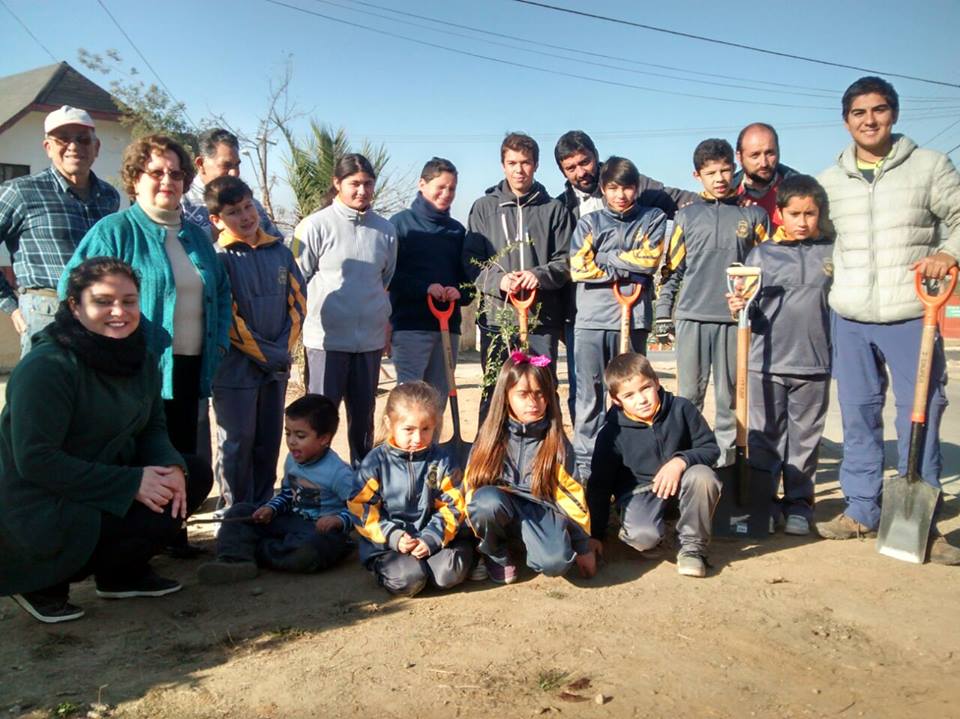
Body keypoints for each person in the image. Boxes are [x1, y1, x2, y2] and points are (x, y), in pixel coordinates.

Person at [0, 258, 212, 623]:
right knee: (141, 499)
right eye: (103, 301)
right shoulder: (48, 367)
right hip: (38, 503)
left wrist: (170, 466)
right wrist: (131, 483)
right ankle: (42, 583)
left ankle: (120, 575)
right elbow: (36, 460)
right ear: (74, 306)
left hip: (99, 481)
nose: (119, 312)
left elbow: (152, 428)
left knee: (190, 474)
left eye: (129, 301)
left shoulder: (139, 359)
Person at [814, 76, 960, 564]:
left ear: (893, 114)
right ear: (846, 120)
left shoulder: (929, 167)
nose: (869, 120)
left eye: (878, 111)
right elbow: (818, 235)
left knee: (921, 412)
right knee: (857, 413)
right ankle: (861, 508)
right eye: (859, 113)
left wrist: (946, 252)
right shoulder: (831, 180)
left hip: (911, 313)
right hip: (851, 314)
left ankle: (926, 516)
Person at [61, 134, 232, 457]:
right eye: (156, 172)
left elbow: (221, 291)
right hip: (130, 376)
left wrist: (220, 342)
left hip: (189, 371)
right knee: (138, 465)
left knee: (179, 467)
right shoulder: (114, 232)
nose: (168, 180)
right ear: (135, 180)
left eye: (176, 173)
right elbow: (71, 292)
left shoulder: (196, 236)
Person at [554, 131, 699, 422]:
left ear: (596, 157)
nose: (581, 172)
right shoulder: (561, 205)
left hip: (631, 307)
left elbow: (682, 200)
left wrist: (721, 202)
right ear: (562, 171)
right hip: (583, 310)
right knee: (585, 389)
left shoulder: (632, 183)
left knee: (629, 387)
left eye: (585, 162)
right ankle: (591, 458)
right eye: (571, 168)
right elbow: (569, 261)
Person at [726, 176, 833, 536]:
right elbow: (747, 310)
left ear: (820, 214)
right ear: (780, 213)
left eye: (810, 213)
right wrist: (739, 306)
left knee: (805, 440)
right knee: (764, 437)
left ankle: (800, 504)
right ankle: (765, 503)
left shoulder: (832, 253)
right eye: (795, 213)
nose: (803, 221)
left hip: (815, 364)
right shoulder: (762, 255)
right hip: (764, 363)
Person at [654, 139, 770, 467]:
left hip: (736, 321)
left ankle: (725, 469)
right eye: (710, 173)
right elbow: (672, 271)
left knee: (729, 400)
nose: (719, 178)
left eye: (724, 170)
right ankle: (685, 465)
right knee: (688, 397)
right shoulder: (686, 218)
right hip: (691, 318)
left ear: (734, 169)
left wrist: (754, 305)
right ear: (697, 175)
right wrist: (663, 312)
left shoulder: (755, 216)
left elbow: (769, 269)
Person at [205, 176, 306, 508]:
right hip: (235, 370)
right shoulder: (217, 257)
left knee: (267, 441)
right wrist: (266, 353)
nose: (246, 217)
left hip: (275, 367)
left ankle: (262, 509)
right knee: (237, 442)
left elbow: (298, 303)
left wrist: (281, 350)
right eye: (234, 212)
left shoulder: (278, 251)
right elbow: (227, 316)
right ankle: (234, 517)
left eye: (248, 207)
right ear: (217, 220)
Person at [293, 153, 397, 466]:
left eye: (368, 184)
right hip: (325, 343)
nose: (362, 191)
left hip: (368, 343)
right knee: (318, 419)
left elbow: (385, 280)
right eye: (354, 183)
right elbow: (296, 282)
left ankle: (362, 480)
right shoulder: (313, 226)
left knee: (363, 419)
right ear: (337, 183)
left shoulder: (386, 231)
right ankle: (311, 478)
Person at [569, 156, 667, 482]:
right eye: (613, 188)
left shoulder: (653, 219)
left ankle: (629, 469)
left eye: (626, 187)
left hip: (634, 317)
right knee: (589, 397)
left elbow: (649, 259)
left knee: (634, 395)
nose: (620, 195)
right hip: (592, 321)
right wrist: (627, 263)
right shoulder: (588, 223)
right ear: (603, 189)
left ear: (636, 188)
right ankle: (587, 471)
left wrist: (605, 256)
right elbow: (579, 266)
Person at [464, 132, 573, 421]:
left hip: (541, 320)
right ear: (502, 165)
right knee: (495, 391)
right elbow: (471, 263)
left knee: (542, 389)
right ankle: (489, 458)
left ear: (535, 164)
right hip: (497, 322)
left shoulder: (554, 210)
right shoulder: (484, 208)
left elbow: (566, 261)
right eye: (512, 162)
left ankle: (548, 456)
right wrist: (499, 282)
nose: (518, 169)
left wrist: (539, 275)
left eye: (525, 162)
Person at [464, 352, 598, 584]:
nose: (533, 403)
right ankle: (496, 553)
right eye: (523, 394)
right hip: (499, 506)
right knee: (486, 502)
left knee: (556, 563)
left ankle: (530, 545)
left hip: (540, 510)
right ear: (506, 397)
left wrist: (583, 546)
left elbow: (572, 497)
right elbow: (470, 486)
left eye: (539, 394)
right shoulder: (489, 437)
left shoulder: (556, 442)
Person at [0, 106, 120, 356]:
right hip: (47, 314)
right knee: (46, 392)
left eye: (83, 139)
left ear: (96, 148)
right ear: (48, 147)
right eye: (63, 138)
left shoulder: (109, 197)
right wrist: (10, 305)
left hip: (101, 316)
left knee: (96, 392)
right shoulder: (20, 193)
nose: (74, 146)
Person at [197, 395, 356, 583]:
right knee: (239, 511)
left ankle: (254, 551)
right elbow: (288, 494)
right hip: (291, 523)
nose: (292, 441)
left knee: (314, 550)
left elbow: (362, 511)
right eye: (288, 433)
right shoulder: (292, 460)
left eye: (300, 436)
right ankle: (235, 561)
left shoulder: (339, 473)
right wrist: (271, 508)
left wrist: (338, 520)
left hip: (317, 532)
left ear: (324, 439)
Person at [588, 353, 720, 578]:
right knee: (643, 538)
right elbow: (600, 486)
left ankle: (692, 549)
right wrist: (595, 534)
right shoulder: (611, 433)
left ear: (657, 383)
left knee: (703, 476)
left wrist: (680, 461)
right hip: (640, 493)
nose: (642, 399)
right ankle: (654, 533)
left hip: (682, 485)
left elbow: (710, 449)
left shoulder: (682, 409)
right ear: (617, 400)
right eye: (629, 395)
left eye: (646, 388)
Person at [348, 382, 473, 596]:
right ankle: (391, 569)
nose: (417, 439)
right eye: (408, 429)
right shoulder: (376, 463)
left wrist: (430, 538)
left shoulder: (442, 461)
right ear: (389, 423)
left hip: (433, 538)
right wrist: (394, 536)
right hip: (389, 544)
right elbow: (361, 507)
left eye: (426, 429)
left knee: (447, 574)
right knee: (408, 580)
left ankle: (466, 557)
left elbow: (453, 505)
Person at [389, 158, 471, 408]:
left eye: (452, 189)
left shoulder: (457, 232)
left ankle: (433, 447)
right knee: (410, 401)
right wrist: (425, 288)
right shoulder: (400, 225)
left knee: (437, 401)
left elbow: (468, 280)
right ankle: (404, 448)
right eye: (441, 187)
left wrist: (459, 292)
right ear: (422, 184)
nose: (446, 194)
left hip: (448, 328)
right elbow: (390, 275)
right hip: (410, 327)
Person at [181, 127, 283, 241]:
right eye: (226, 165)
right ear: (200, 164)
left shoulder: (252, 204)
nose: (234, 173)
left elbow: (277, 245)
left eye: (237, 165)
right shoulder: (182, 205)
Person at [733, 123, 798, 230]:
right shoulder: (726, 198)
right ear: (739, 157)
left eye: (770, 153)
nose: (764, 163)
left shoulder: (802, 192)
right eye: (755, 155)